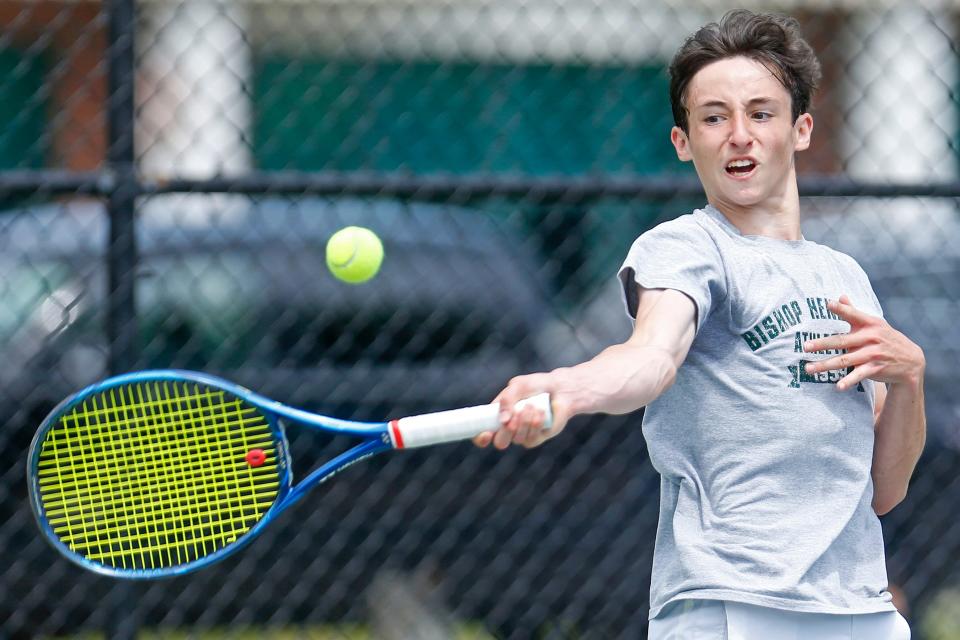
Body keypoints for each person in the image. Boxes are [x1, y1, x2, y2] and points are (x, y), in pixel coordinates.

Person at [474, 9, 925, 639]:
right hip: (732, 605)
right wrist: (569, 388)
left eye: (760, 113)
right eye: (714, 117)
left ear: (800, 130)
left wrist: (909, 382)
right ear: (685, 142)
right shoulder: (685, 248)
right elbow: (652, 355)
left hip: (858, 608)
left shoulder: (845, 275)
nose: (739, 134)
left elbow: (882, 489)